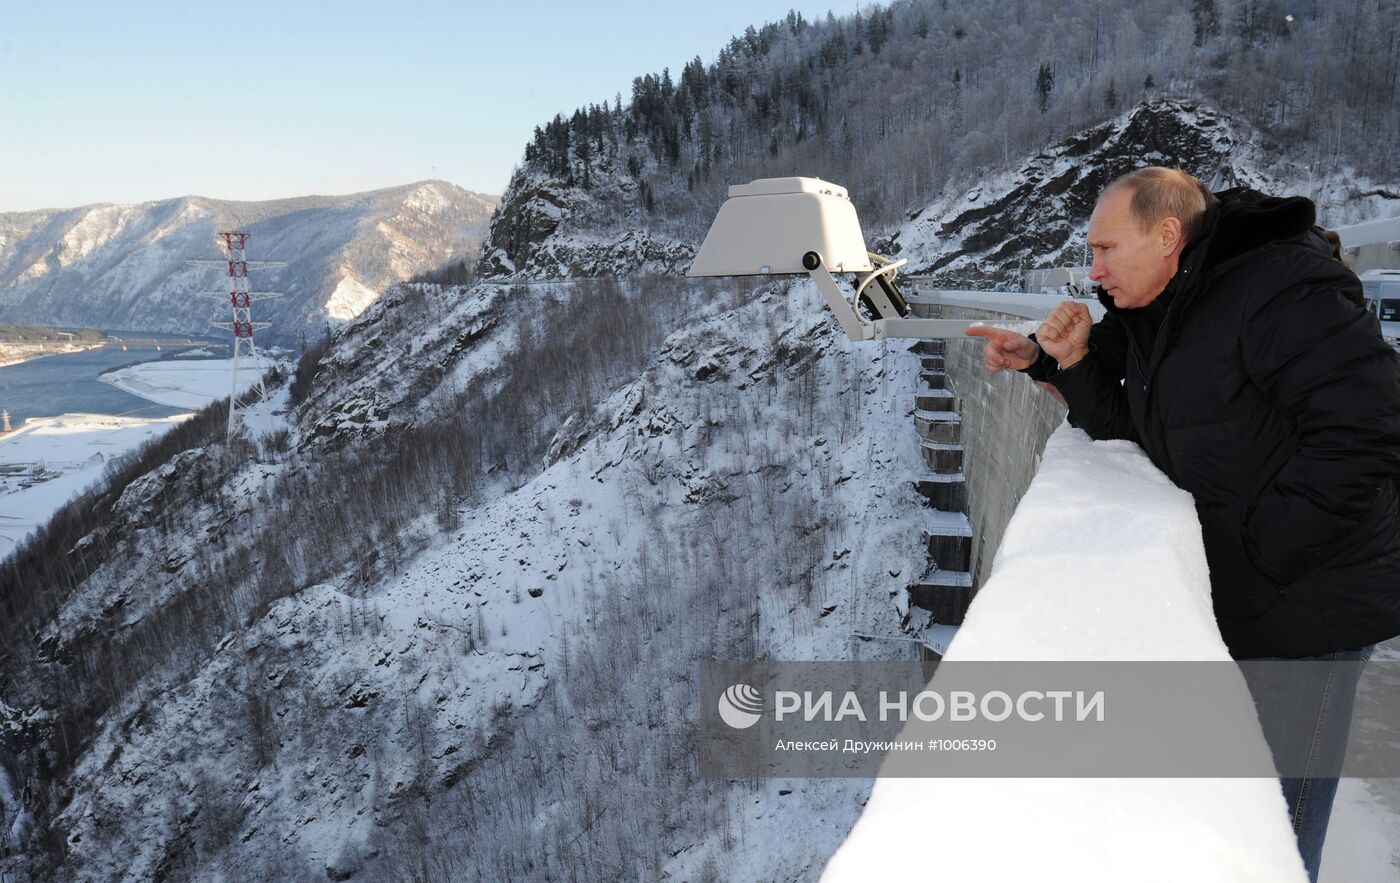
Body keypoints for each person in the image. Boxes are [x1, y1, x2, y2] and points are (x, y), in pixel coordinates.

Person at [967, 167, 1400, 881]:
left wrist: (1261, 553)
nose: (1093, 269)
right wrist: (1057, 361)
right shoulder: (1165, 305)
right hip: (1249, 593)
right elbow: (1133, 422)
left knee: (1278, 834)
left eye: (1106, 249)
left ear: (1168, 235)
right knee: (1238, 808)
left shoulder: (1281, 286)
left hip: (1310, 605)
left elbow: (1369, 428)